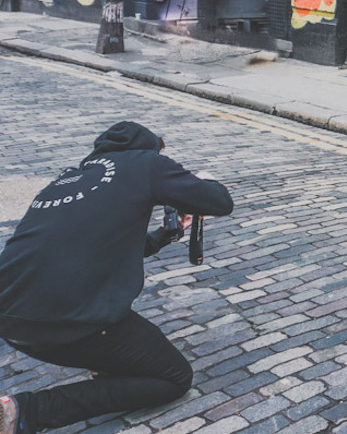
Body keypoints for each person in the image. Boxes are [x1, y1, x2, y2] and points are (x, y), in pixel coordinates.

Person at [0, 121, 234, 434]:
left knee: (127, 349)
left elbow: (105, 245)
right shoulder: (147, 163)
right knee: (174, 377)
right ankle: (25, 411)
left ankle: (108, 366)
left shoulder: (68, 177)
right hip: (67, 319)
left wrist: (167, 234)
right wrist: (202, 181)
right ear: (149, 149)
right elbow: (220, 201)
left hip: (11, 318)